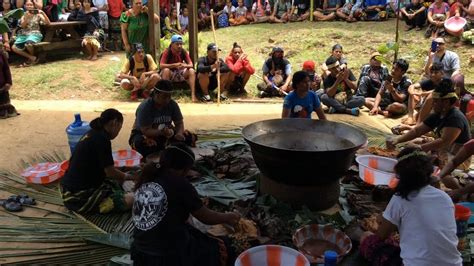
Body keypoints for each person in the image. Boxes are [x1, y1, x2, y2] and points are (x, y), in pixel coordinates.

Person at [131, 143, 241, 265]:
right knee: (223, 247)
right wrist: (229, 217)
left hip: (140, 250)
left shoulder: (148, 178)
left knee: (189, 229)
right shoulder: (180, 184)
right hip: (165, 256)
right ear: (185, 169)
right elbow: (207, 217)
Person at [359, 147, 462, 266]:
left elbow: (382, 234)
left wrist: (380, 219)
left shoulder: (400, 199)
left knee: (366, 237)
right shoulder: (444, 197)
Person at [61, 109, 135, 214]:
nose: (119, 131)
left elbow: (105, 167)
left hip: (69, 188)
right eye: (120, 127)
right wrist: (130, 176)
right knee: (132, 199)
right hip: (79, 196)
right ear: (114, 123)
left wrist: (127, 171)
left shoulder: (93, 133)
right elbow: (110, 172)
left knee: (119, 182)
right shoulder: (102, 140)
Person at [386, 79, 471, 169]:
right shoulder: (438, 114)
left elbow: (444, 142)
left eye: (435, 101)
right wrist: (397, 140)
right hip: (443, 149)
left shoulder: (455, 118)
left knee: (422, 159)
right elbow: (417, 130)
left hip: (457, 158)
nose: (433, 104)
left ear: (445, 102)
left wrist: (421, 148)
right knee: (412, 144)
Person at [129, 80, 186, 158]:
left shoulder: (172, 104)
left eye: (169, 96)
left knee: (187, 138)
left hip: (166, 133)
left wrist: (179, 133)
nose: (168, 99)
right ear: (156, 94)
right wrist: (162, 133)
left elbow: (179, 123)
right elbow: (145, 130)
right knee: (142, 144)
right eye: (165, 96)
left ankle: (165, 146)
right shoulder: (145, 107)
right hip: (143, 134)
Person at [400, 62, 445, 127]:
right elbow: (413, 86)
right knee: (412, 94)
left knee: (431, 96)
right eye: (431, 72)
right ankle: (411, 117)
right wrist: (412, 90)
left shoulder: (446, 82)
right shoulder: (430, 81)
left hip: (440, 108)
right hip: (426, 106)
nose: (432, 75)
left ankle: (418, 121)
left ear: (442, 73)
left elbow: (436, 91)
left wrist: (422, 93)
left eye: (436, 73)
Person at [12, 0, 51, 67]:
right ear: (25, 6)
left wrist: (43, 13)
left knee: (28, 44)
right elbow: (22, 26)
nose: (29, 6)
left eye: (31, 5)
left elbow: (48, 23)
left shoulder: (38, 14)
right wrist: (26, 18)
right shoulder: (23, 14)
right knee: (14, 47)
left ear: (33, 6)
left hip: (35, 34)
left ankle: (32, 59)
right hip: (24, 34)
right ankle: (32, 57)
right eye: (27, 5)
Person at [159, 35, 196, 102]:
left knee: (191, 70)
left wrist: (184, 66)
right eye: (177, 44)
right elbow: (161, 65)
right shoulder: (167, 52)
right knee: (166, 70)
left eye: (181, 44)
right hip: (170, 73)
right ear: (172, 44)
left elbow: (191, 64)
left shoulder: (183, 51)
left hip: (180, 72)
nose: (179, 46)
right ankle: (166, 95)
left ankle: (193, 95)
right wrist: (174, 65)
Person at [0, 43, 17, 119]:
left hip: (2, 86)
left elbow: (6, 69)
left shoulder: (1, 54)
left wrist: (9, 82)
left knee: (6, 107)